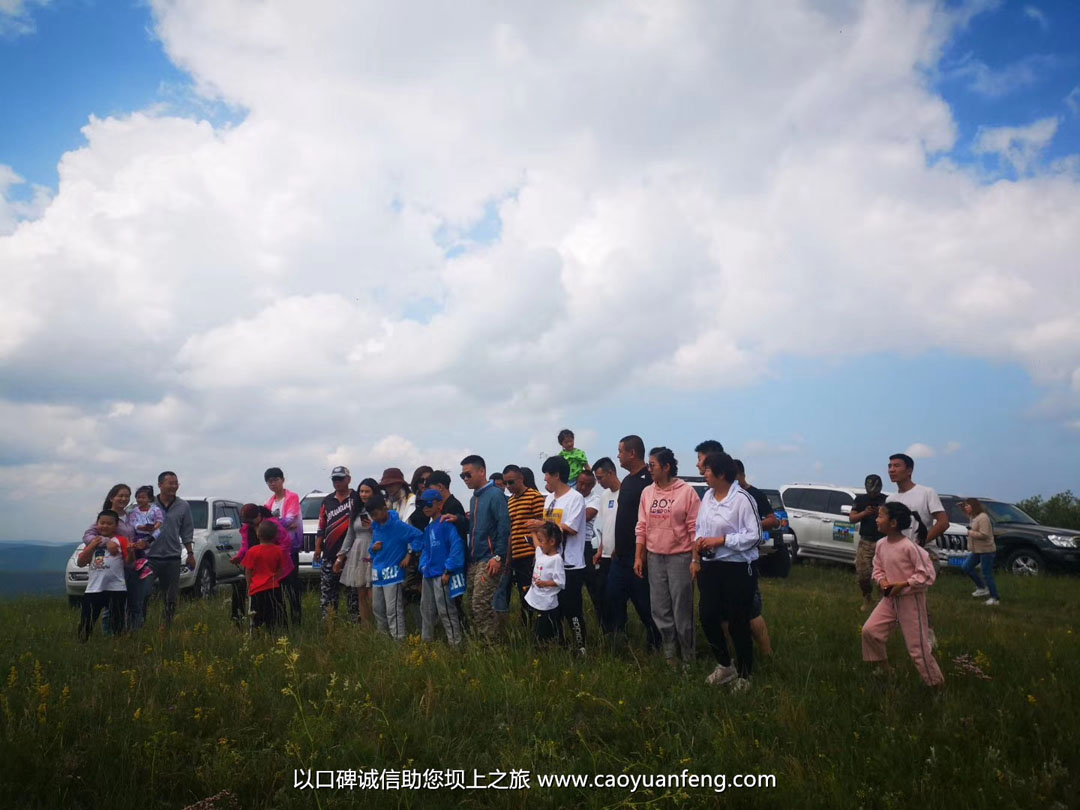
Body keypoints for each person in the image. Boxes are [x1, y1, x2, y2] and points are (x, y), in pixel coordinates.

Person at [692, 451, 761, 690]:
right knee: (708, 616)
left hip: (738, 568)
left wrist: (721, 541)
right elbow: (699, 528)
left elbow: (755, 536)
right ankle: (724, 665)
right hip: (711, 566)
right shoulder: (708, 498)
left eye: (708, 471)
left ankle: (744, 674)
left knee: (737, 622)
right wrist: (699, 546)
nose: (705, 475)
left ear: (721, 473)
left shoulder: (742, 499)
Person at [861, 502, 944, 687]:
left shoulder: (910, 547)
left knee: (918, 648)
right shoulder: (881, 544)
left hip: (910, 602)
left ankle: (936, 686)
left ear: (893, 523)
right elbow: (878, 568)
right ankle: (885, 669)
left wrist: (904, 584)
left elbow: (926, 575)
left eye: (881, 516)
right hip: (889, 599)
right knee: (870, 631)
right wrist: (882, 582)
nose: (876, 519)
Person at [635, 447, 699, 668]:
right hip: (654, 556)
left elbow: (694, 529)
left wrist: (695, 559)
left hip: (679, 557)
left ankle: (689, 655)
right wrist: (639, 556)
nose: (649, 469)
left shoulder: (686, 492)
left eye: (652, 465)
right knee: (660, 607)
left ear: (666, 467)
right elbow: (641, 526)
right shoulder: (647, 493)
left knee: (682, 607)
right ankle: (670, 653)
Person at [886, 453, 948, 649]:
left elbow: (943, 522)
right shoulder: (891, 498)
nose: (891, 470)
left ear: (909, 470)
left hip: (924, 554)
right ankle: (891, 632)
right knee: (895, 594)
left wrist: (920, 543)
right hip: (899, 556)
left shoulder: (926, 493)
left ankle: (926, 636)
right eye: (889, 466)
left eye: (896, 466)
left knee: (914, 594)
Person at [605, 435, 661, 650]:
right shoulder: (627, 480)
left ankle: (656, 642)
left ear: (632, 453)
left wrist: (643, 553)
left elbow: (650, 519)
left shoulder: (649, 480)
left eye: (620, 451)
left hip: (639, 555)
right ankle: (619, 639)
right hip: (621, 555)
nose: (617, 455)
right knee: (612, 596)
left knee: (644, 602)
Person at [530, 455, 587, 654]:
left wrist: (542, 524)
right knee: (552, 609)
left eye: (547, 475)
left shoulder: (575, 498)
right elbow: (548, 531)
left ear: (556, 475)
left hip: (570, 564)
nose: (545, 479)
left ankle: (580, 647)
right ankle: (560, 645)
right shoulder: (549, 500)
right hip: (550, 563)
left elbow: (571, 528)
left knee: (572, 610)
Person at [454, 455, 510, 642]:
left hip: (490, 559)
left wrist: (499, 557)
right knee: (471, 604)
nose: (465, 479)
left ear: (481, 471)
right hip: (475, 559)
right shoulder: (474, 498)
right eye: (462, 476)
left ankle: (493, 647)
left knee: (480, 603)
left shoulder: (495, 495)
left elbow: (504, 528)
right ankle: (483, 643)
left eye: (468, 474)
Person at [734, 459, 778, 656]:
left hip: (748, 559)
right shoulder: (728, 495)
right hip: (728, 559)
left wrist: (753, 526)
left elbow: (773, 520)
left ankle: (767, 654)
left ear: (739, 474)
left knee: (752, 611)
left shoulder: (755, 494)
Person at [412, 489, 466, 644]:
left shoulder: (446, 525)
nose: (425, 507)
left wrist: (448, 570)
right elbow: (425, 551)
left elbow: (456, 546)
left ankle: (455, 643)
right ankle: (426, 641)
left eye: (429, 503)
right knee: (426, 610)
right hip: (428, 574)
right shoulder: (428, 528)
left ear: (438, 504)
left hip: (442, 575)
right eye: (422, 504)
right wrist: (422, 567)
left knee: (446, 610)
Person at [82, 484, 135, 636]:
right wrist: (106, 542)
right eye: (120, 495)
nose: (124, 499)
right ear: (112, 497)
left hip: (126, 565)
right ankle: (108, 635)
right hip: (105, 566)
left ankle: (121, 634)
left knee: (122, 605)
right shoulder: (106, 516)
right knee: (105, 607)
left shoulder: (129, 516)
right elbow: (88, 536)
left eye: (127, 496)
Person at [368, 495, 421, 641]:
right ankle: (383, 638)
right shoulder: (376, 527)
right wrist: (373, 548)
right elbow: (371, 550)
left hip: (393, 574)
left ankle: (399, 639)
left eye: (376, 514)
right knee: (377, 608)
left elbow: (418, 536)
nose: (374, 518)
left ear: (385, 509)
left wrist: (409, 553)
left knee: (393, 610)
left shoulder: (398, 526)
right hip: (378, 574)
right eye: (371, 515)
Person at [147, 472, 195, 628]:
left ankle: (167, 626)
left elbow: (187, 531)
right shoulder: (148, 504)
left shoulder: (183, 506)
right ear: (160, 485)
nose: (174, 486)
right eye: (170, 483)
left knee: (171, 596)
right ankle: (137, 624)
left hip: (172, 557)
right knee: (143, 593)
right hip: (149, 557)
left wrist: (190, 553)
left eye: (176, 483)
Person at [500, 464, 546, 626]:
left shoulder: (534, 496)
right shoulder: (510, 501)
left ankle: (540, 628)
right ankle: (527, 628)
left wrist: (538, 554)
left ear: (521, 479)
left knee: (535, 593)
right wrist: (507, 558)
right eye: (505, 483)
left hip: (531, 554)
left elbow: (542, 526)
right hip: (516, 555)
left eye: (511, 482)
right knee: (523, 594)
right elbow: (511, 530)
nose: (508, 487)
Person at [313, 466, 360, 620]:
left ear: (348, 479)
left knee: (353, 591)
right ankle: (329, 622)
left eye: (340, 478)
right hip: (330, 551)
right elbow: (322, 526)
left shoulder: (357, 498)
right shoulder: (327, 501)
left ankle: (355, 623)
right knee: (328, 590)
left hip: (353, 552)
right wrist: (318, 547)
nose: (337, 482)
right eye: (334, 479)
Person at [263, 467, 304, 626]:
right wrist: (281, 525)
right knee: (278, 586)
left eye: (275, 480)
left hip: (290, 548)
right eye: (269, 481)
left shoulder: (292, 497)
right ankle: (281, 620)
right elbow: (270, 523)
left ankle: (296, 619)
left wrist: (273, 525)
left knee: (292, 585)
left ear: (282, 480)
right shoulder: (269, 502)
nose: (273, 484)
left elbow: (290, 518)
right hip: (274, 549)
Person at [340, 477, 379, 624]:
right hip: (357, 551)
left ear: (374, 492)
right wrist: (341, 555)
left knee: (372, 592)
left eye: (367, 491)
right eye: (361, 491)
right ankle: (365, 627)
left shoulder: (381, 509)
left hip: (374, 550)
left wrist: (373, 526)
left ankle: (378, 626)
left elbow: (385, 532)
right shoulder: (356, 509)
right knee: (360, 591)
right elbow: (350, 534)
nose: (363, 494)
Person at [125, 485, 161, 630]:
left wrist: (153, 527)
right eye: (138, 497)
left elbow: (160, 522)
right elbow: (134, 524)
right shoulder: (133, 512)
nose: (140, 499)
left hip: (152, 535)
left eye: (143, 497)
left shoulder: (155, 510)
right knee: (138, 549)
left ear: (150, 498)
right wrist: (144, 528)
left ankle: (145, 567)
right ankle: (142, 565)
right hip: (140, 534)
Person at [590, 457, 620, 631]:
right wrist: (600, 550)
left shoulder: (626, 492)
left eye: (600, 478)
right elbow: (603, 527)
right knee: (602, 594)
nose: (599, 482)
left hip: (622, 555)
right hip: (606, 555)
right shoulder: (605, 496)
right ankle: (608, 631)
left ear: (611, 472)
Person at [850, 474, 888, 611]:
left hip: (883, 541)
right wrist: (865, 513)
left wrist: (881, 512)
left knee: (884, 574)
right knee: (862, 573)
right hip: (866, 541)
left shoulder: (886, 500)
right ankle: (867, 598)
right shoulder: (860, 499)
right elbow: (852, 518)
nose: (872, 491)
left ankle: (883, 602)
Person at [525, 522, 566, 644]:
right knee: (538, 628)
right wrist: (533, 532)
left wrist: (546, 583)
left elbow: (560, 582)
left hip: (548, 602)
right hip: (537, 599)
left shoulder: (556, 559)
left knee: (548, 626)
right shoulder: (541, 554)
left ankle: (554, 644)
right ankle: (541, 645)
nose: (540, 543)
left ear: (552, 542)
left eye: (542, 540)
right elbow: (537, 545)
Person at [243, 521, 287, 632]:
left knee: (255, 616)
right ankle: (271, 634)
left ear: (258, 534)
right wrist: (275, 579)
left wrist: (249, 586)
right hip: (273, 588)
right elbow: (281, 569)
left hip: (256, 589)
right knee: (272, 616)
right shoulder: (279, 550)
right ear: (275, 536)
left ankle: (255, 636)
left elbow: (248, 571)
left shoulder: (252, 551)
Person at [576, 467, 604, 621]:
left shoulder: (595, 499)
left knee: (594, 587)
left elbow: (584, 517)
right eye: (580, 483)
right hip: (572, 545)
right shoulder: (572, 496)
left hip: (586, 545)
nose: (583, 487)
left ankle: (603, 623)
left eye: (587, 484)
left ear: (593, 485)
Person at [962, 498, 1000, 605]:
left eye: (967, 506)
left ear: (973, 506)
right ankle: (982, 587)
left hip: (986, 550)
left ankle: (995, 598)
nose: (965, 508)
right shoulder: (973, 517)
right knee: (966, 567)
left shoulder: (983, 518)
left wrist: (970, 533)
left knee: (986, 573)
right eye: (965, 506)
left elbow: (985, 534)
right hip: (977, 550)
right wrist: (961, 508)